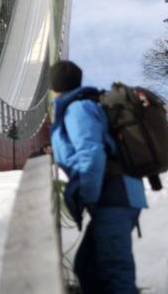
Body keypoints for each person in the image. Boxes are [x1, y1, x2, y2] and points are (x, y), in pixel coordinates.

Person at [50, 60, 147, 294]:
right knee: (87, 268)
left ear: (54, 88)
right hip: (117, 195)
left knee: (115, 275)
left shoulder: (77, 109)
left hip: (114, 196)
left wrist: (89, 197)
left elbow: (91, 154)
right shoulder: (82, 106)